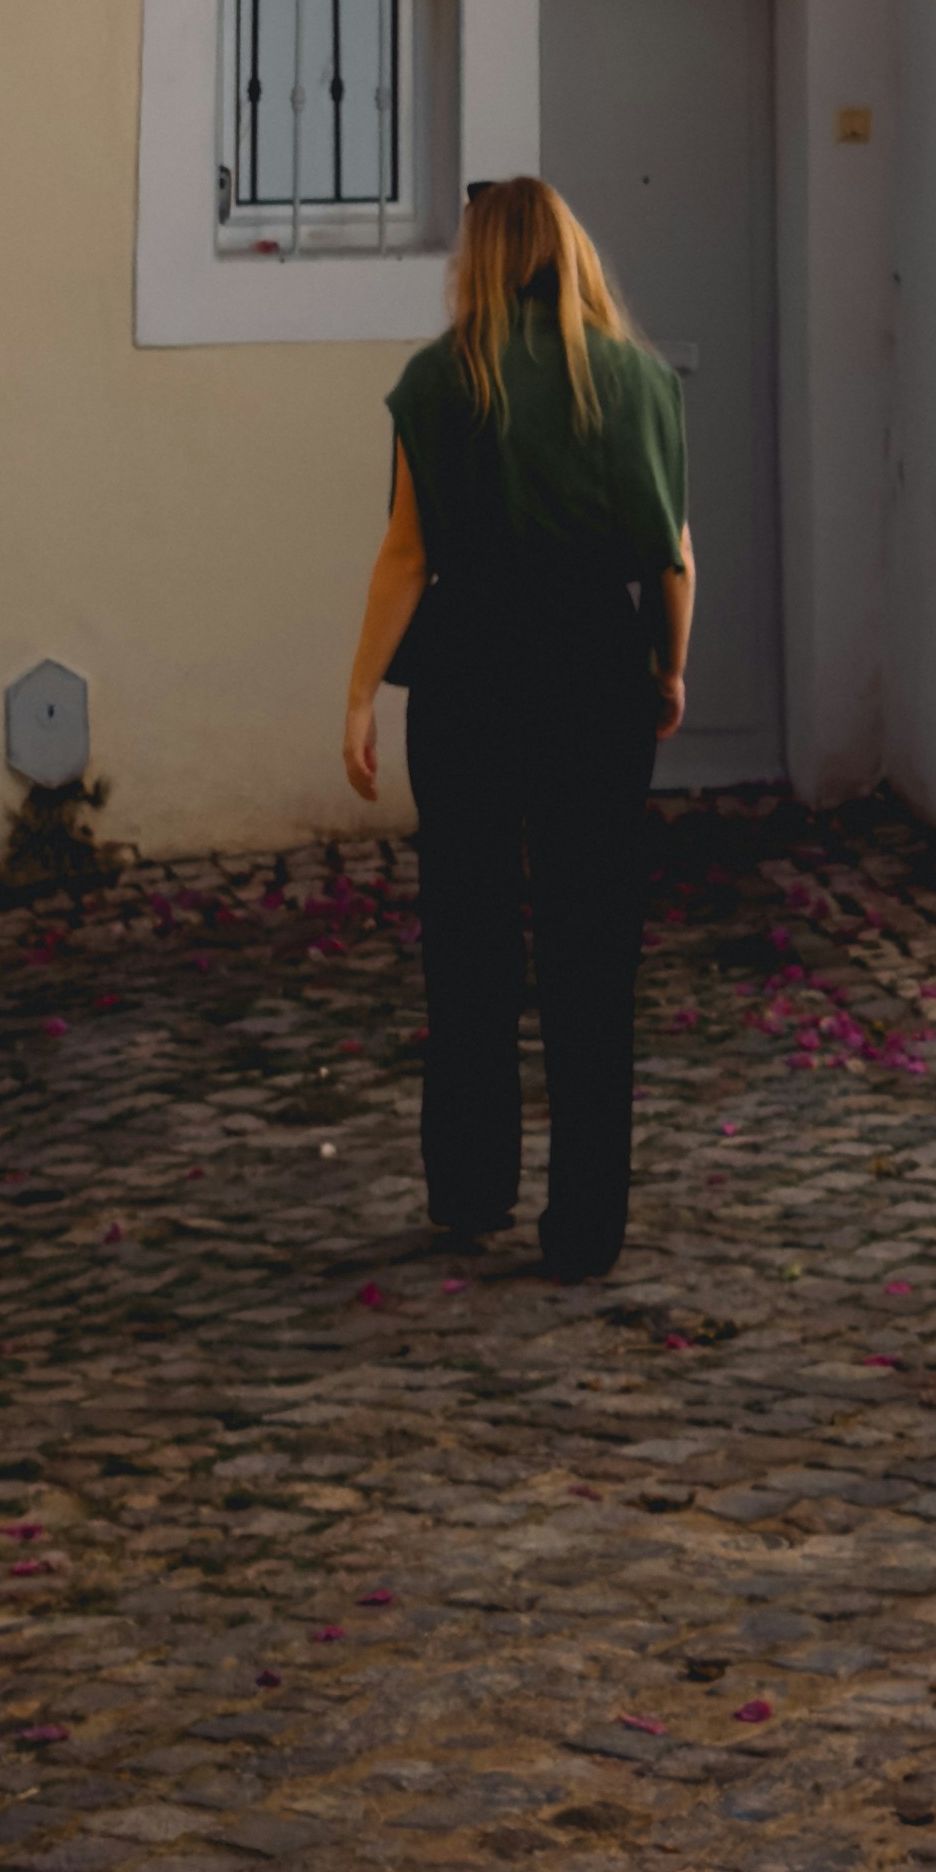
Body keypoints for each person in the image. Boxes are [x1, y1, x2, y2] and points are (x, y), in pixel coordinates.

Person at [340, 171, 694, 1279]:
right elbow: (672, 558)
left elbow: (405, 557)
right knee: (593, 950)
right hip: (597, 669)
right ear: (574, 254)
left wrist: (359, 694)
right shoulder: (637, 382)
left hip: (470, 672)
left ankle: (472, 1188)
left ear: (480, 262)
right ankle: (586, 1225)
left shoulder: (439, 382)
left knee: (471, 936)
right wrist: (668, 672)